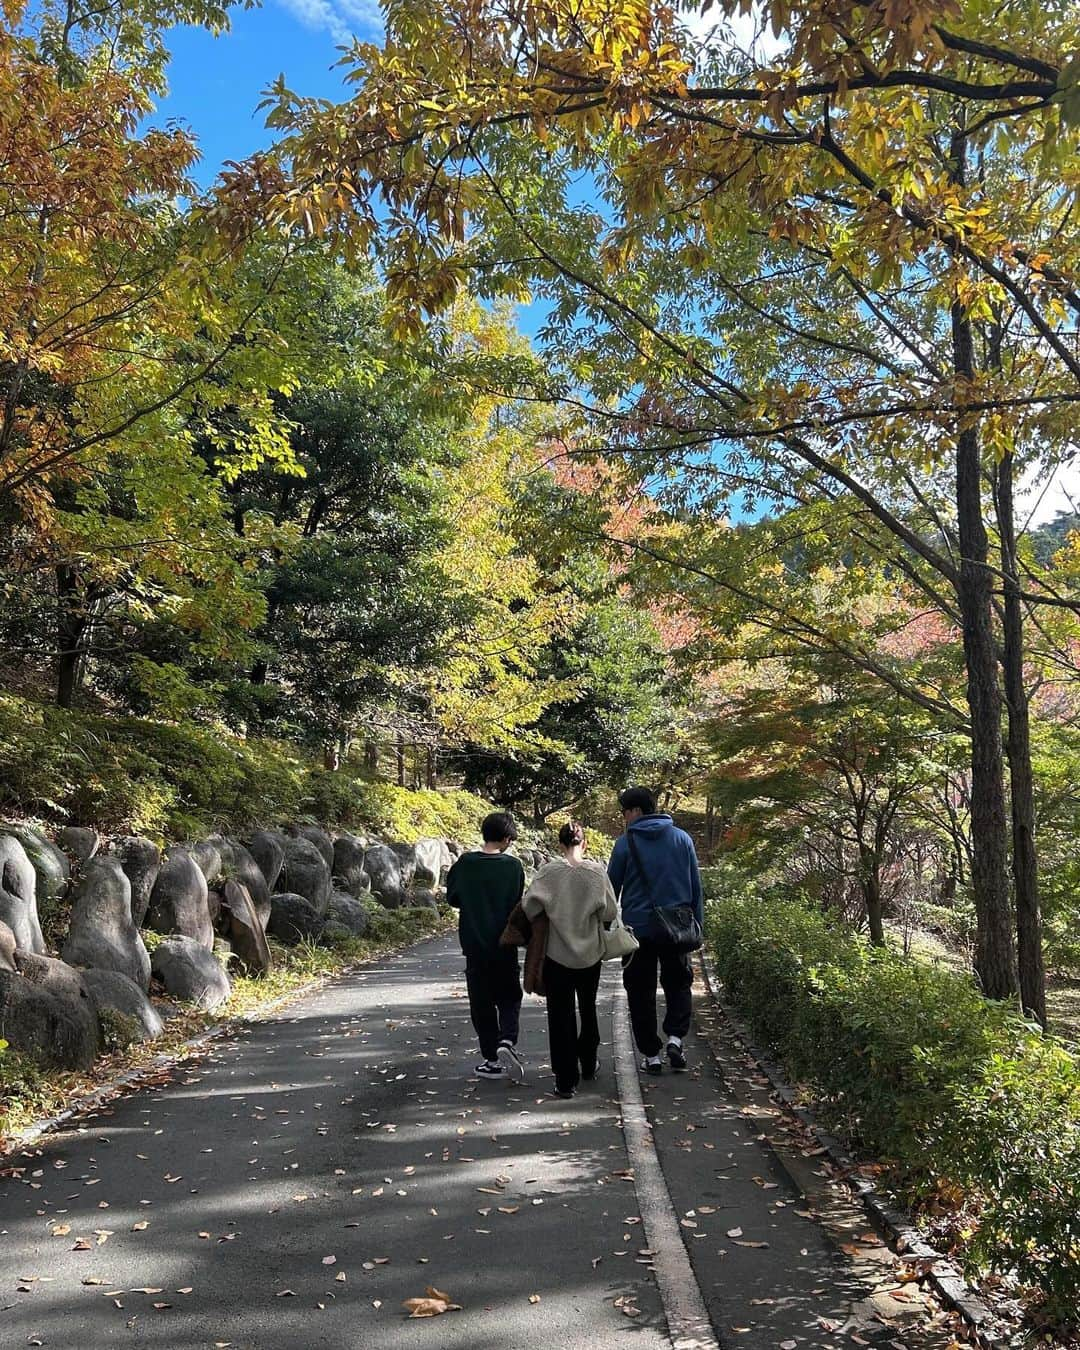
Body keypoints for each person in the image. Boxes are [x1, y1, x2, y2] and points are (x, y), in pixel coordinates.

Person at [608, 786, 702, 1075]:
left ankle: (651, 1055)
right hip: (677, 927)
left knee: (640, 992)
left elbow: (611, 890)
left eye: (624, 811)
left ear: (635, 811)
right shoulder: (682, 839)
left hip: (639, 931)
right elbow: (695, 887)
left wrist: (606, 926)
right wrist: (697, 926)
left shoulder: (625, 843)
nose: (624, 817)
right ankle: (675, 1038)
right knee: (679, 983)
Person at [524, 821, 617, 1099]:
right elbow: (610, 911)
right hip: (590, 955)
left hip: (556, 954)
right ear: (584, 843)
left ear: (561, 844)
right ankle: (588, 1063)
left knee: (560, 1015)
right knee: (588, 1007)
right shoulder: (596, 872)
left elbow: (529, 906)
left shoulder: (548, 872)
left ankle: (565, 1081)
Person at [446, 811, 526, 1082]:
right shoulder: (513, 867)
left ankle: (491, 1059)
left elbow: (453, 898)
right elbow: (517, 901)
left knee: (481, 1002)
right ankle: (507, 1040)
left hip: (474, 944)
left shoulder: (465, 863)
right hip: (504, 943)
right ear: (505, 838)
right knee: (510, 996)